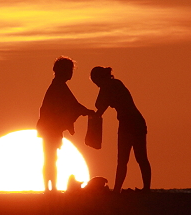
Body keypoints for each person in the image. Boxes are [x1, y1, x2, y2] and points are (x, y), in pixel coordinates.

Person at [37, 57, 93, 192]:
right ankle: (50, 188)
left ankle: (50, 187)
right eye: (69, 70)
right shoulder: (58, 86)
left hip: (50, 128)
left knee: (50, 157)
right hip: (50, 128)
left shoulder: (59, 86)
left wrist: (85, 111)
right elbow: (73, 105)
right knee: (50, 158)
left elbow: (72, 105)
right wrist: (87, 112)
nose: (71, 73)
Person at [90, 66, 151, 192]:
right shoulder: (110, 86)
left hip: (133, 122)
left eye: (96, 82)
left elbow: (99, 107)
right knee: (125, 159)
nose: (97, 85)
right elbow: (100, 106)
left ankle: (142, 188)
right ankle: (119, 189)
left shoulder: (113, 85)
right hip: (127, 122)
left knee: (138, 158)